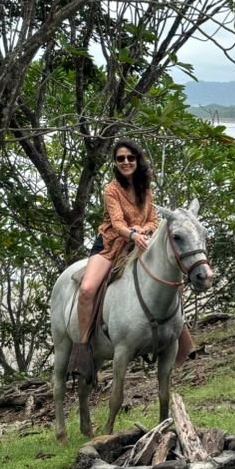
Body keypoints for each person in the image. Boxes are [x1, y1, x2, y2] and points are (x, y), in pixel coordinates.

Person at [70, 140, 160, 385]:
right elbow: (117, 222)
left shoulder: (146, 188)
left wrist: (143, 229)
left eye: (130, 157)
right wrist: (133, 233)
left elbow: (154, 219)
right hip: (111, 245)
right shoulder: (111, 189)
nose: (126, 162)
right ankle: (84, 348)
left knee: (170, 275)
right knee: (87, 289)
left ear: (137, 160)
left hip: (140, 243)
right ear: (116, 163)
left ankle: (177, 338)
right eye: (120, 159)